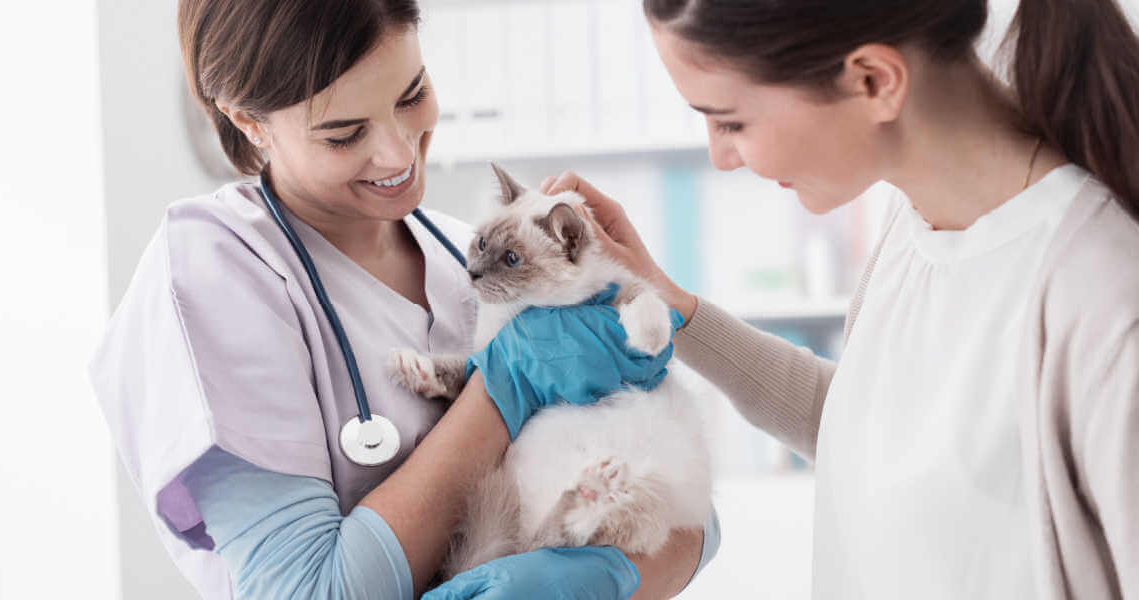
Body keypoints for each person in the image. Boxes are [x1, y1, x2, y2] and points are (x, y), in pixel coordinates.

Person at [88, 1, 717, 599]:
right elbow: (310, 591)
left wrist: (614, 578)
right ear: (248, 121)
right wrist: (503, 387)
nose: (396, 155)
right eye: (343, 133)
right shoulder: (218, 270)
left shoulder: (464, 253)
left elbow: (695, 518)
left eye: (411, 94)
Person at [540, 0, 1139, 597]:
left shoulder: (1103, 300)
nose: (721, 159)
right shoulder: (915, 226)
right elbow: (867, 427)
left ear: (873, 81)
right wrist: (664, 301)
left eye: (731, 121)